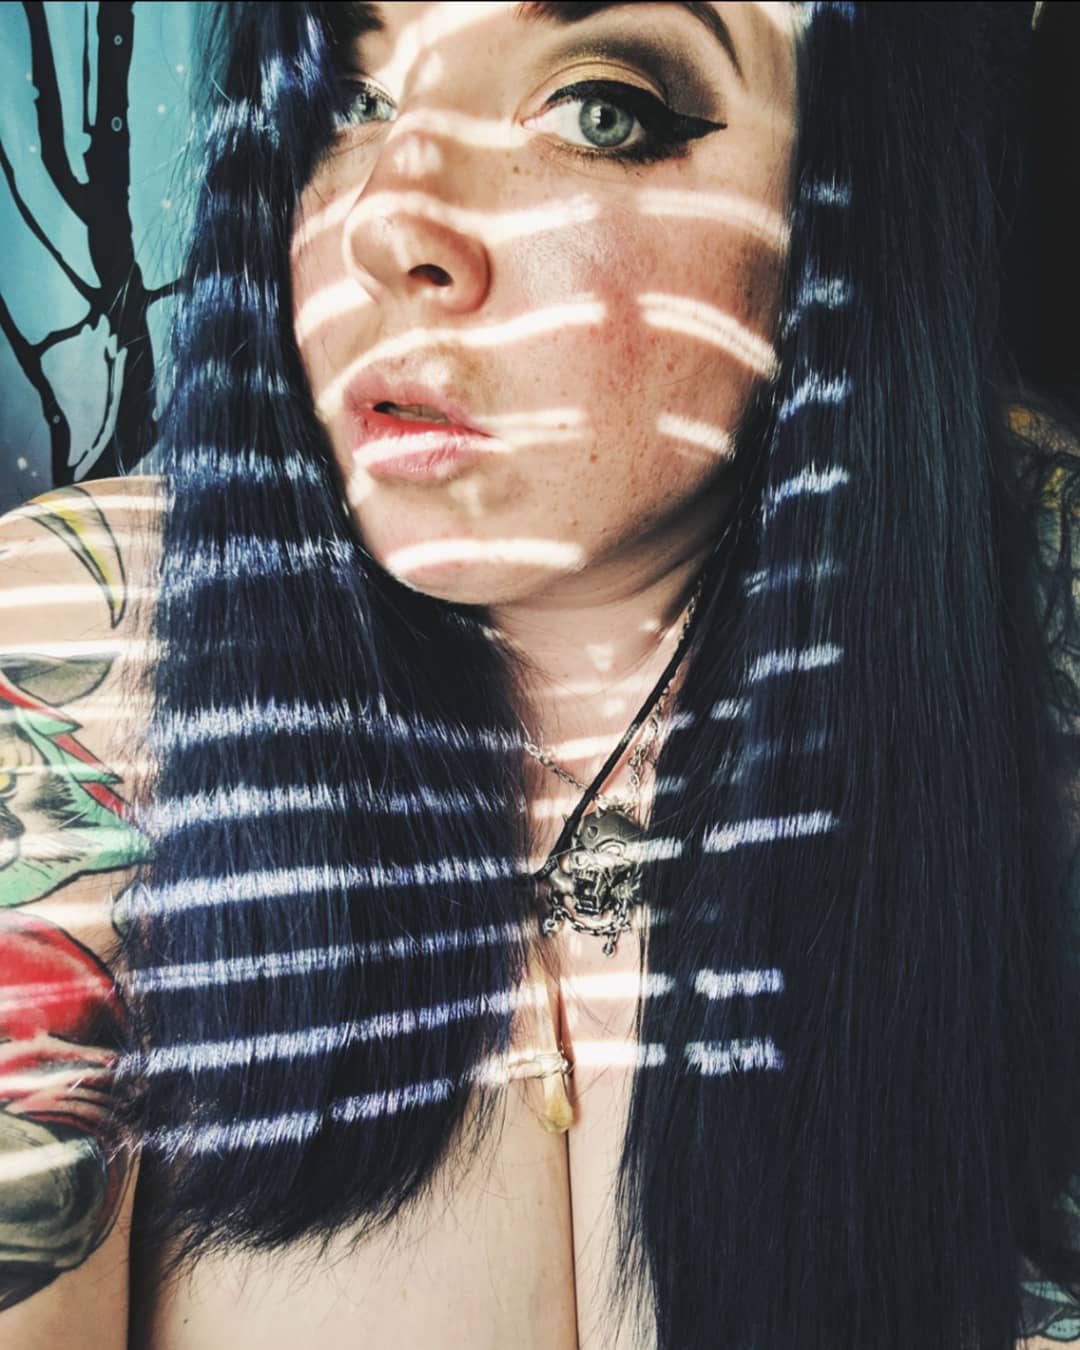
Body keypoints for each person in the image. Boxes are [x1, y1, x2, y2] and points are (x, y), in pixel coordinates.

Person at [4, 2, 1080, 1347]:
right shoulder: (79, 652)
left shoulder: (1036, 637)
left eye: (601, 109)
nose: (388, 222)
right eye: (349, 98)